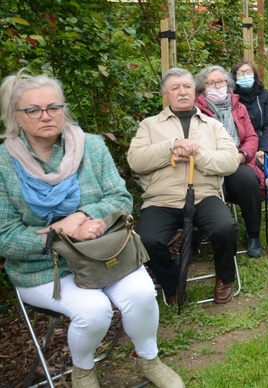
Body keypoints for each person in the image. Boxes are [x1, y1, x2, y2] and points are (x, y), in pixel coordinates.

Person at [0, 72, 184, 388]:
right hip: (45, 269)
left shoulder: (91, 146)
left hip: (103, 252)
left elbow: (120, 198)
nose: (46, 116)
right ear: (15, 116)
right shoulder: (3, 163)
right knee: (95, 310)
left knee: (142, 293)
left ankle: (149, 360)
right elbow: (5, 237)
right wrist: (61, 232)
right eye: (33, 110)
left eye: (53, 107)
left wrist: (86, 215)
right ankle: (83, 370)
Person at [128, 68, 240, 305]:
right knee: (147, 240)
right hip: (162, 199)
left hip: (204, 196)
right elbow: (135, 160)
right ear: (165, 94)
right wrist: (171, 146)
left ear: (194, 90)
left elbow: (230, 161)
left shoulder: (212, 125)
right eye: (175, 88)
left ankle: (225, 278)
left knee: (225, 227)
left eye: (187, 87)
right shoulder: (149, 126)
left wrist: (197, 156)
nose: (182, 92)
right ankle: (172, 284)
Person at [195, 66, 265, 258]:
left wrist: (243, 155)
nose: (217, 86)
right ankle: (197, 237)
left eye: (221, 82)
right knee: (207, 187)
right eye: (211, 83)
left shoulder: (238, 107)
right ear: (202, 87)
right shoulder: (196, 110)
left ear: (228, 84)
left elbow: (251, 137)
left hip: (237, 159)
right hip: (209, 162)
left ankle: (253, 235)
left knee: (248, 181)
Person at [231, 60, 268, 165]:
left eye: (248, 72)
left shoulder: (265, 95)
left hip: (263, 142)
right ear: (234, 77)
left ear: (254, 75)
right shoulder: (231, 98)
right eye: (240, 73)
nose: (245, 76)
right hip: (241, 146)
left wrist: (263, 150)